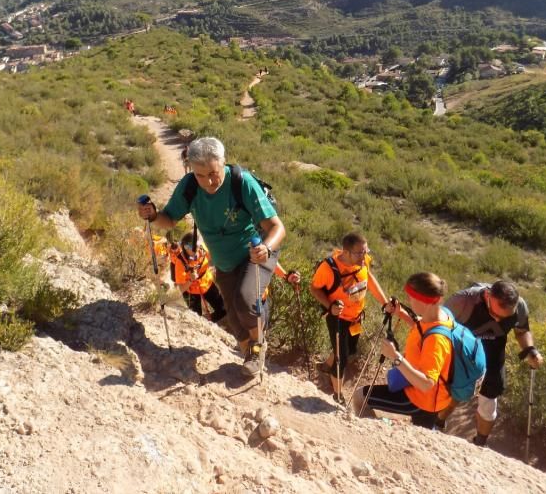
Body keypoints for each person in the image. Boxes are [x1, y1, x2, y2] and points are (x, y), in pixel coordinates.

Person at [137, 136, 286, 377]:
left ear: (223, 162)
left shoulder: (242, 183)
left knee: (245, 299)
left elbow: (277, 228)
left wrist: (266, 248)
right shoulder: (189, 186)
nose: (208, 181)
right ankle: (249, 354)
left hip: (256, 251)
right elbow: (170, 219)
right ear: (191, 170)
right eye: (200, 175)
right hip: (225, 260)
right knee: (235, 321)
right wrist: (153, 216)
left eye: (213, 173)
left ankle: (259, 350)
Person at [441, 280, 543, 446]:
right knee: (456, 391)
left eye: (504, 317)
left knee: (490, 398)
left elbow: (522, 331)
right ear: (487, 295)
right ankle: (437, 424)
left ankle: (480, 443)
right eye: (493, 313)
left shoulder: (520, 307)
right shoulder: (463, 301)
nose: (497, 319)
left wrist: (530, 350)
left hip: (493, 353)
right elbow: (439, 326)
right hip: (463, 352)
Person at [352, 272, 454, 429]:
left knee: (360, 397)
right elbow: (421, 327)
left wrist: (395, 357)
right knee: (424, 429)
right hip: (434, 397)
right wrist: (401, 313)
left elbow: (427, 384)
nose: (408, 300)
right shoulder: (441, 315)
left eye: (412, 297)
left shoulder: (437, 340)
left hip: (421, 399)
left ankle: (369, 436)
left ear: (425, 301)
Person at [310, 232, 392, 400]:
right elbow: (314, 288)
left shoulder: (363, 261)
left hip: (356, 317)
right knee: (342, 360)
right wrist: (330, 306)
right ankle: (337, 395)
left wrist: (385, 303)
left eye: (366, 251)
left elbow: (369, 279)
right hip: (337, 317)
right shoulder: (328, 268)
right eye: (360, 252)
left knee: (349, 350)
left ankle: (326, 365)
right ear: (346, 252)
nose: (365, 256)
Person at [168, 232, 227, 323]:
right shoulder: (180, 263)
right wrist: (191, 280)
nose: (197, 250)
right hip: (190, 291)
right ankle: (205, 324)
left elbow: (212, 258)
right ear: (186, 248)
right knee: (197, 318)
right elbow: (181, 289)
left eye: (198, 245)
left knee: (223, 310)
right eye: (193, 248)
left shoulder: (203, 250)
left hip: (206, 283)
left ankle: (210, 322)